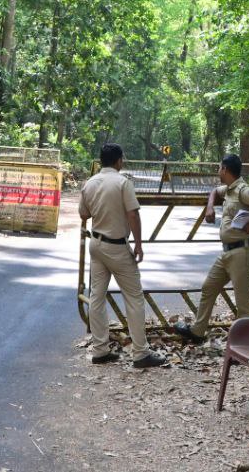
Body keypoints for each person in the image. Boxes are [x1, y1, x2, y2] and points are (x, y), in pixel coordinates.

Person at [79, 143, 167, 369]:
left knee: (97, 297)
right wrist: (138, 244)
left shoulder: (89, 183)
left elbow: (83, 213)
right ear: (119, 161)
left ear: (101, 161)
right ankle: (140, 353)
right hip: (117, 246)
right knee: (134, 297)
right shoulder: (122, 183)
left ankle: (100, 349)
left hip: (96, 244)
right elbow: (133, 215)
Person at [171, 153, 249, 343]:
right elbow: (214, 193)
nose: (218, 171)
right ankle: (198, 331)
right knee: (209, 287)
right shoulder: (228, 189)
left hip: (242, 252)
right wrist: (209, 208)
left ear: (225, 169)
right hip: (228, 252)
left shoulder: (243, 190)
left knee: (244, 303)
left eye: (219, 168)